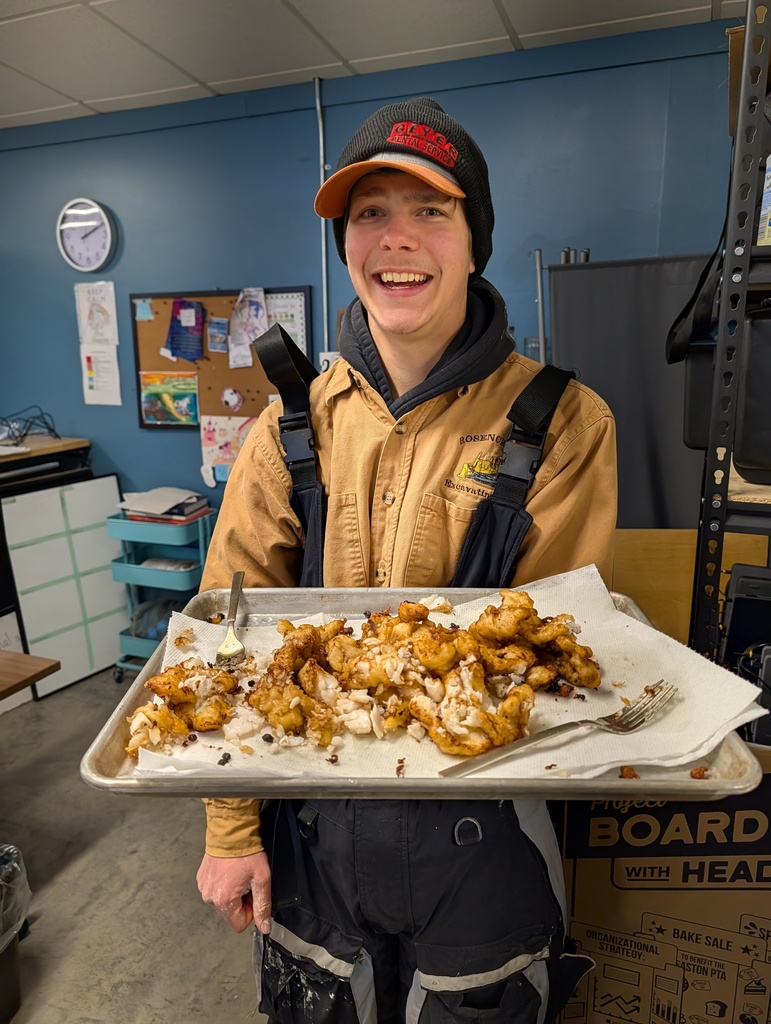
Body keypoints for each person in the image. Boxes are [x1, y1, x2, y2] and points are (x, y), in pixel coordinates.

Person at [196, 96, 617, 1022]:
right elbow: (222, 640)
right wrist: (232, 827)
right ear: (345, 245)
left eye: (432, 211)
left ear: (475, 240)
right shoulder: (289, 425)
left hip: (486, 840)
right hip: (308, 834)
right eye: (369, 215)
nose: (398, 238)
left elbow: (557, 662)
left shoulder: (564, 425)